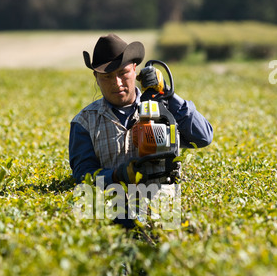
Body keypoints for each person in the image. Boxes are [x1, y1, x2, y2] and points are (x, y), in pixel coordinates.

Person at [69, 33, 213, 225]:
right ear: (96, 77)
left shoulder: (164, 108)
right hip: (112, 224)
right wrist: (116, 175)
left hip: (164, 218)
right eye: (107, 76)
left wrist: (167, 94)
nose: (117, 83)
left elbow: (203, 137)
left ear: (135, 69)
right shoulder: (84, 122)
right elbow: (82, 177)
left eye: (122, 73)